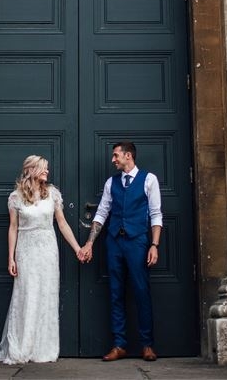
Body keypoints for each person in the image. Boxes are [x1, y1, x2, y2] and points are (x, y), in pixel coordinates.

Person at [0, 155, 83, 364]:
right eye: (43, 168)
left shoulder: (53, 194)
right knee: (26, 295)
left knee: (46, 295)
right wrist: (10, 258)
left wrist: (77, 248)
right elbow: (13, 228)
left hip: (48, 250)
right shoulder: (16, 197)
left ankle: (43, 349)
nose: (47, 172)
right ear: (31, 169)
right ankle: (22, 346)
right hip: (26, 251)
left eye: (47, 169)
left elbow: (63, 224)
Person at [80, 141, 162, 362]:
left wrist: (154, 245)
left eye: (116, 155)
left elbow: (156, 214)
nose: (113, 159)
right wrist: (89, 244)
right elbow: (101, 213)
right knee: (116, 293)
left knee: (141, 292)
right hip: (114, 242)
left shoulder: (149, 179)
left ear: (128, 156)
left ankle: (147, 345)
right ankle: (119, 344)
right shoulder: (111, 183)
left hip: (137, 243)